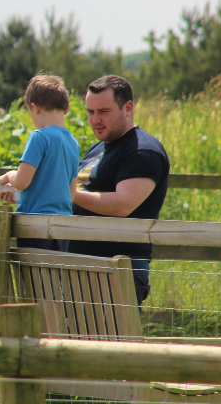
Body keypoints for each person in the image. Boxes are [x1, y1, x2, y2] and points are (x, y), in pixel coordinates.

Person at [67, 75, 170, 306]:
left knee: (111, 343)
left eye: (103, 111)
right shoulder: (97, 148)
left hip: (116, 272)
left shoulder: (142, 151)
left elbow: (123, 204)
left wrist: (70, 195)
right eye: (90, 112)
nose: (95, 120)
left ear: (128, 108)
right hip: (79, 267)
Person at [0, 75, 81, 251]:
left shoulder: (39, 136)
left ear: (34, 107)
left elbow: (21, 181)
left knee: (34, 278)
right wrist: (23, 198)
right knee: (56, 278)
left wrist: (8, 176)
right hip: (63, 227)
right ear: (66, 108)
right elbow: (70, 194)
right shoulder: (73, 143)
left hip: (35, 226)